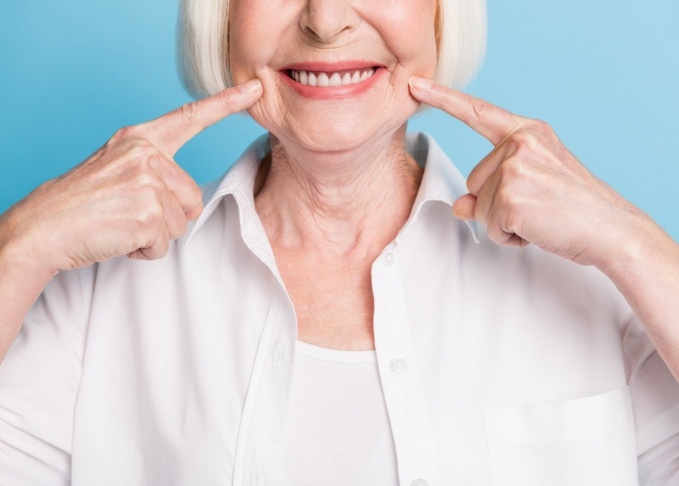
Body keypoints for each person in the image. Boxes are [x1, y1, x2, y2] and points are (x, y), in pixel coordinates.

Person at [1, 0, 679, 484]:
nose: (325, 20)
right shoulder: (91, 303)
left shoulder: (603, 283)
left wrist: (634, 244)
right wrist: (20, 243)